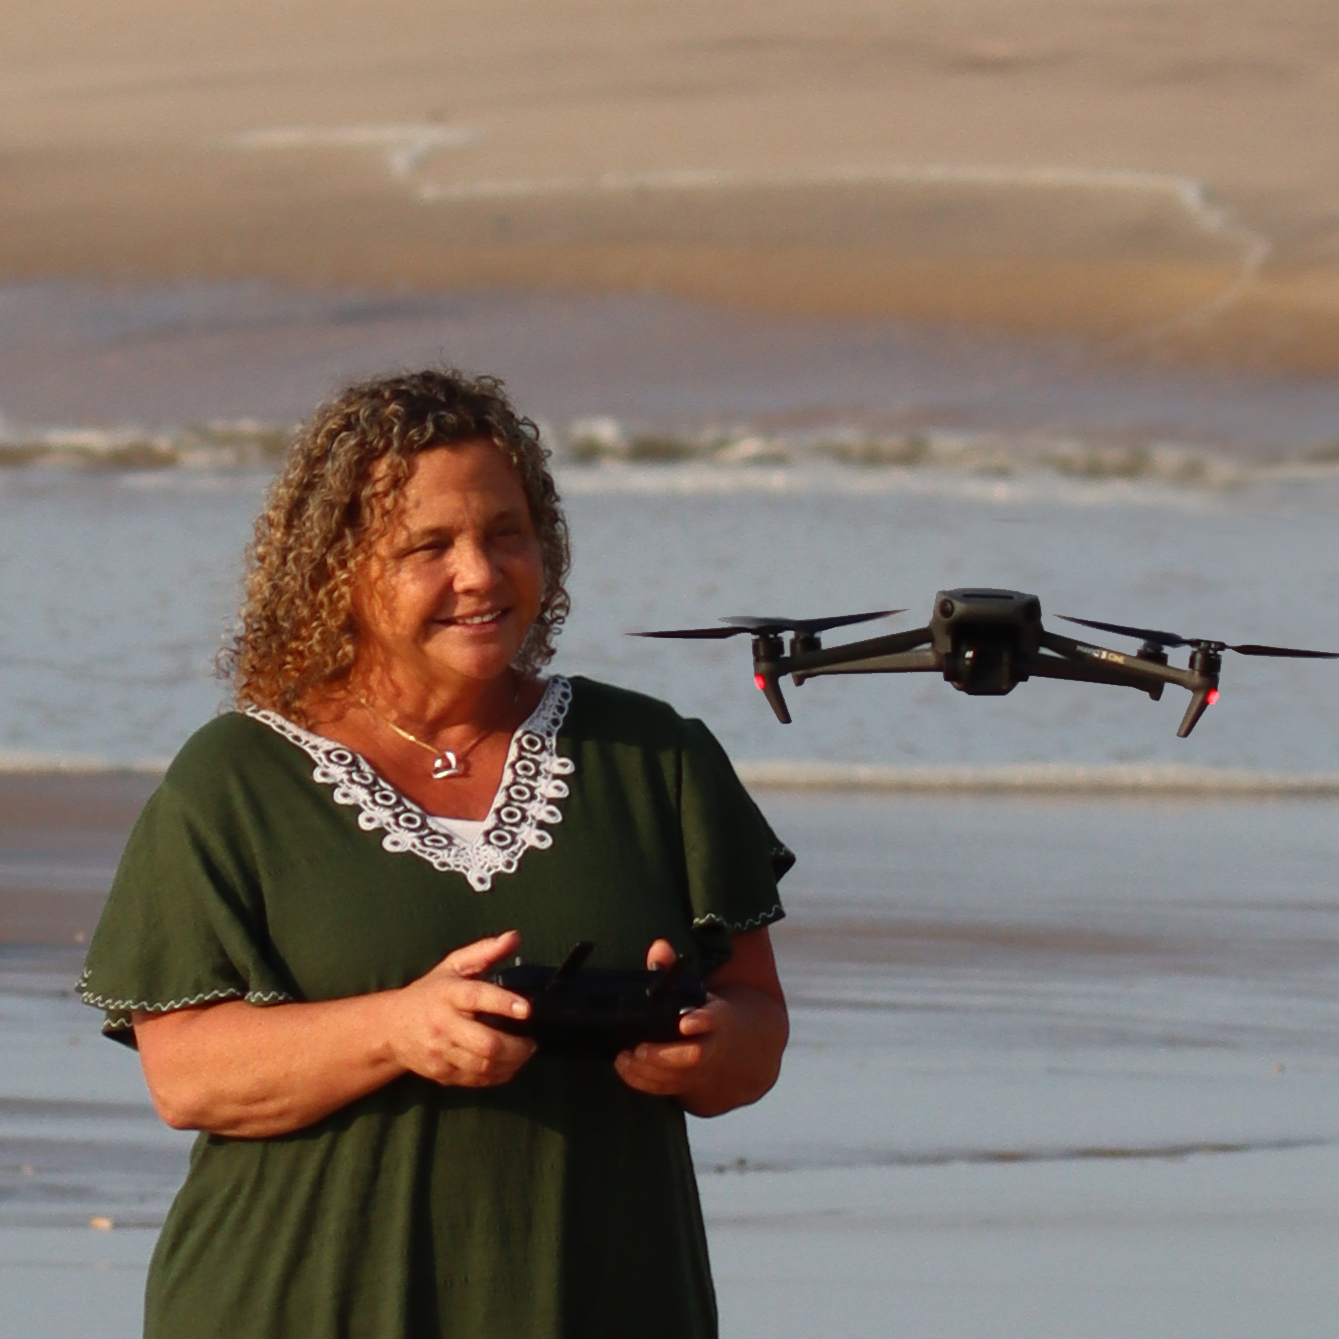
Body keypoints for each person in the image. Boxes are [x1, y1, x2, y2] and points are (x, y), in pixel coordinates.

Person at [78, 369, 792, 1339]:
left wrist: (703, 1045)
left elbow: (757, 1032)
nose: (481, 574)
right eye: (430, 546)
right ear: (339, 570)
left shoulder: (654, 758)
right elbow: (187, 1076)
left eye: (507, 532)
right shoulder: (235, 781)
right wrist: (398, 1029)